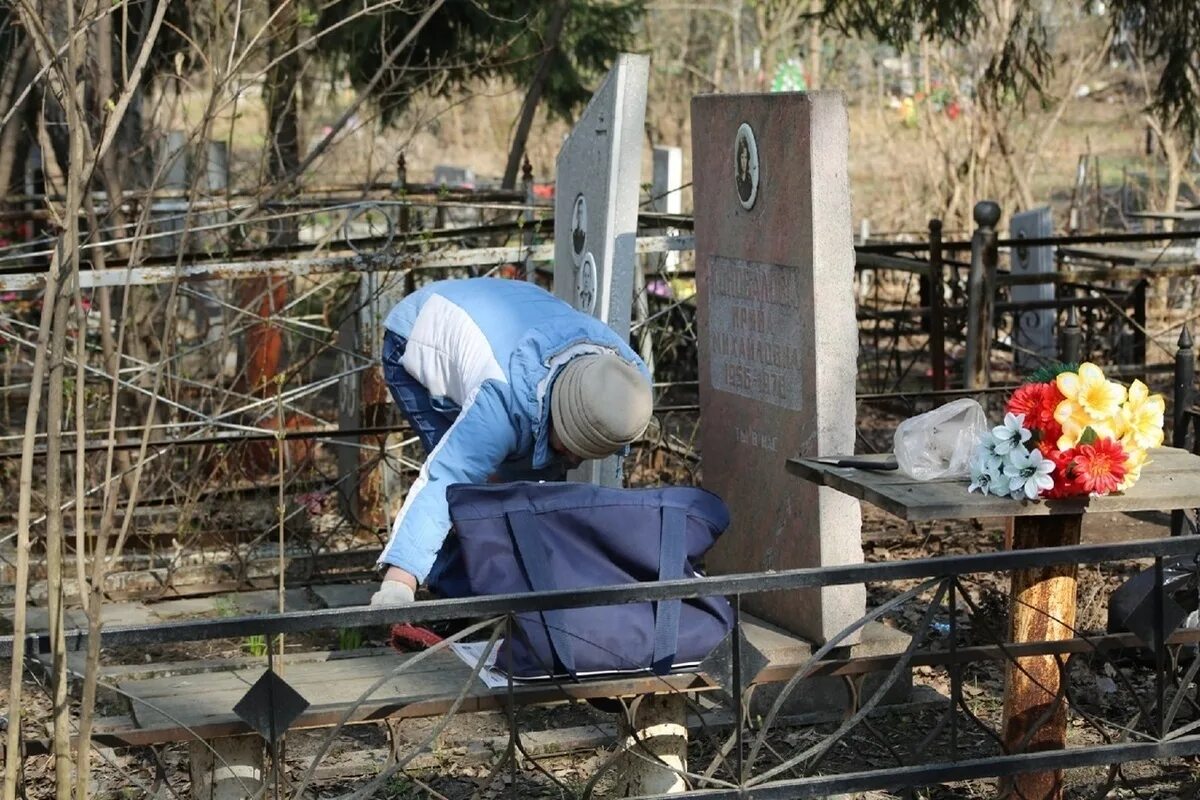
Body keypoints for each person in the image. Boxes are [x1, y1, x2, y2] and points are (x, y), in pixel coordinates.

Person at [370, 277, 654, 606]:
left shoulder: (627, 385)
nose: (575, 461)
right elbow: (446, 479)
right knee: (471, 492)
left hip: (513, 320)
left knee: (524, 484)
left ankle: (520, 582)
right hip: (420, 330)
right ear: (554, 413)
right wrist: (400, 582)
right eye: (569, 445)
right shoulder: (500, 402)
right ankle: (455, 594)